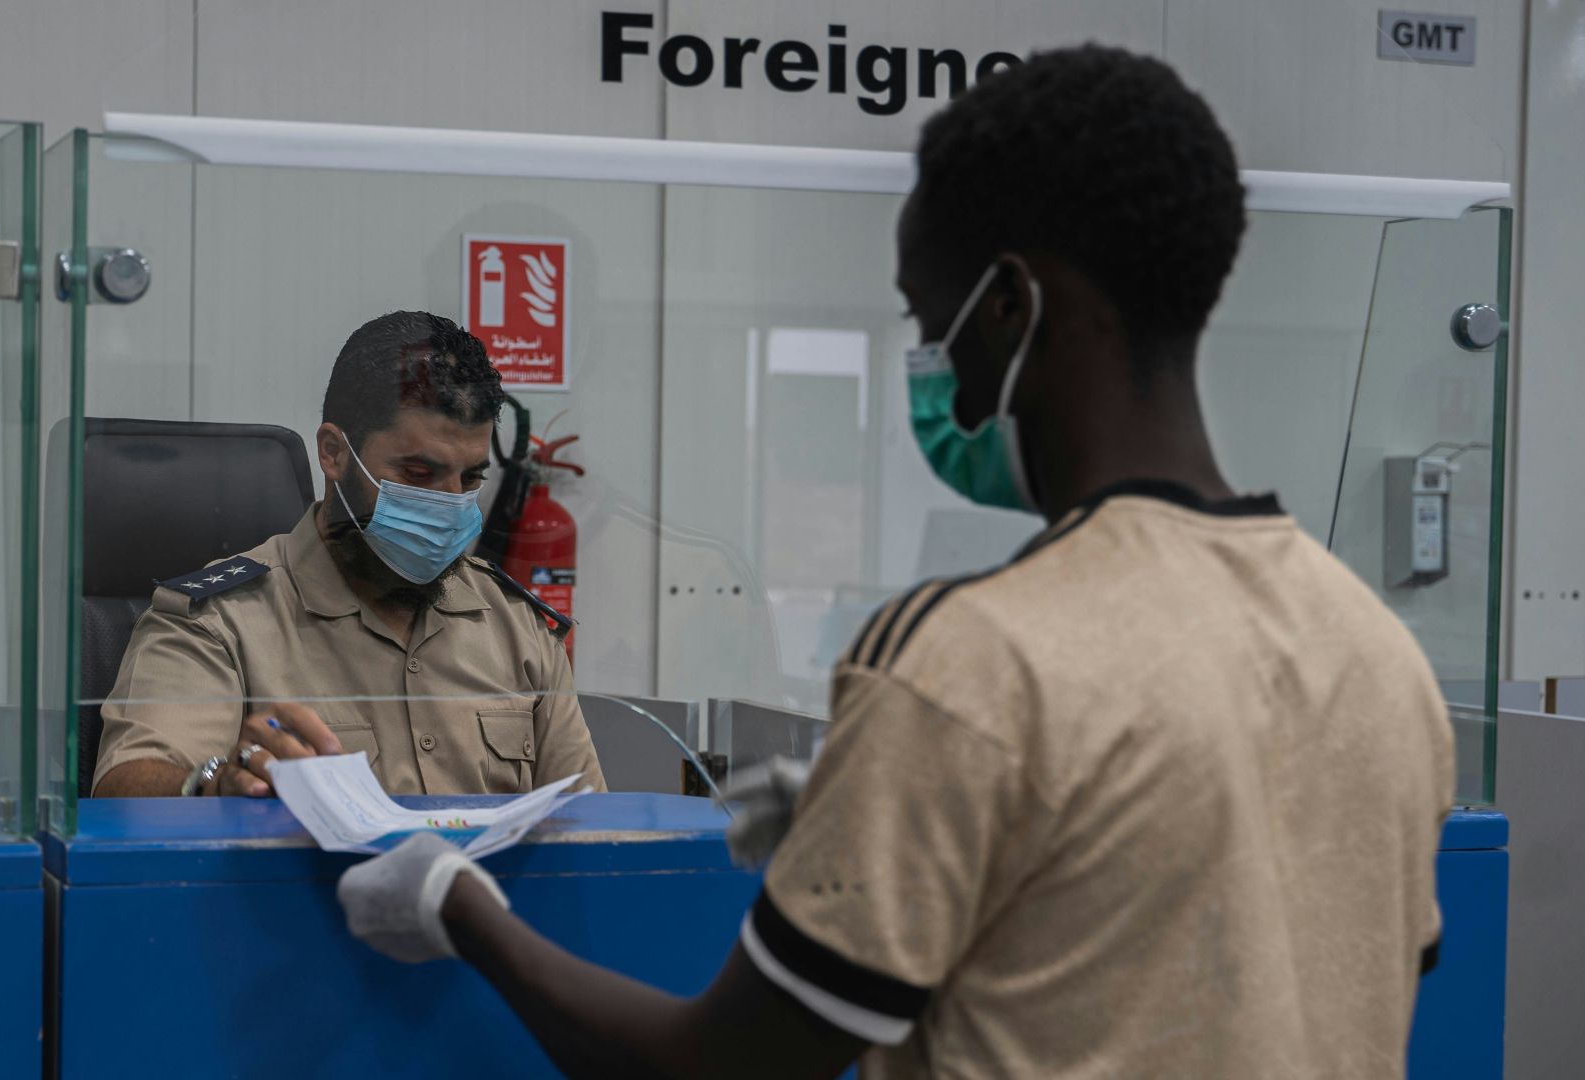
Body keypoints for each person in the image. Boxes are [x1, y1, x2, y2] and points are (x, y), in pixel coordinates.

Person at [334, 46, 1452, 1078]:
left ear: (1008, 307)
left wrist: (460, 908)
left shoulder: (971, 662)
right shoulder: (1376, 653)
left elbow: (711, 1069)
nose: (928, 365)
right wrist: (924, 816)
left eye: (929, 321)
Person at [94, 311, 606, 799]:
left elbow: (593, 831)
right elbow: (126, 790)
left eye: (470, 478)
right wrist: (214, 786)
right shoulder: (220, 623)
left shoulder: (517, 627)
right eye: (419, 475)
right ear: (334, 453)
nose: (451, 503)